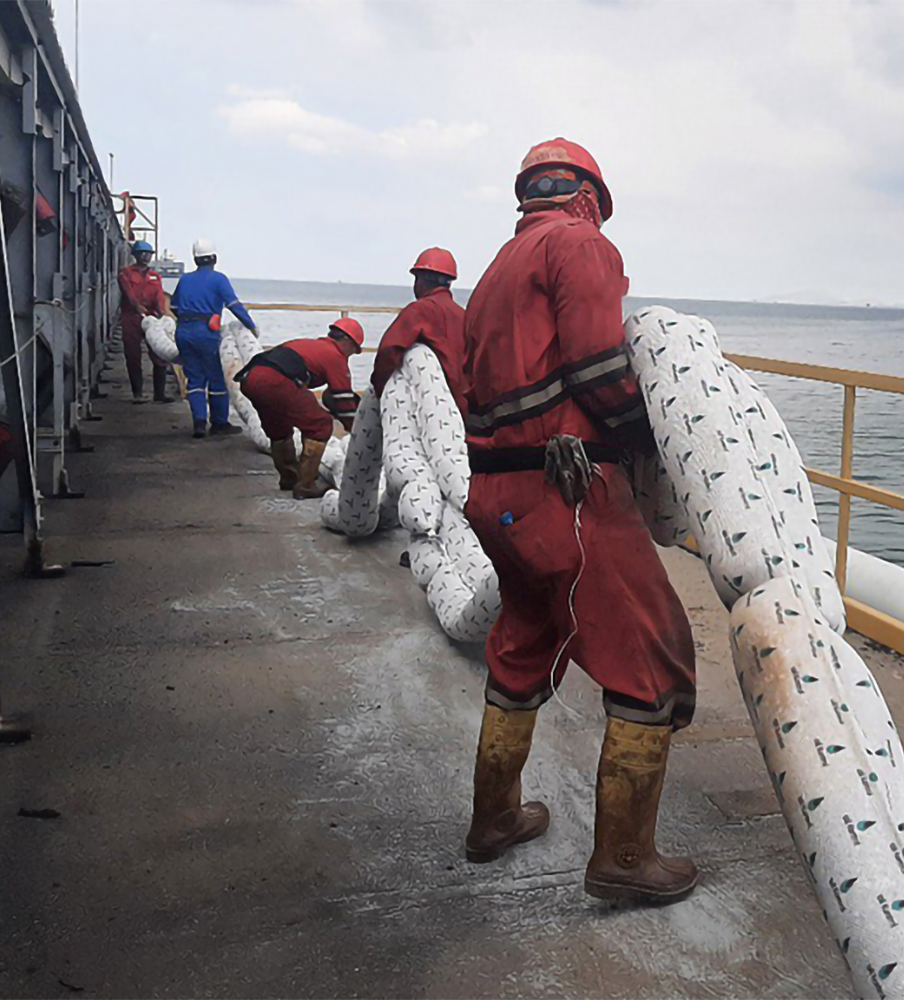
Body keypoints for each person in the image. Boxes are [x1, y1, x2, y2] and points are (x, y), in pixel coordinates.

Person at [460, 137, 698, 905]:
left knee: (524, 648)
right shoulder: (582, 245)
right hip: (571, 494)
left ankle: (494, 819)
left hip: (499, 497)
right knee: (649, 668)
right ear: (589, 197)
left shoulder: (497, 267)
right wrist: (643, 440)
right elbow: (599, 366)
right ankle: (626, 861)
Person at [233, 318, 364, 499]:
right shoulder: (334, 356)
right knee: (320, 424)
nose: (350, 356)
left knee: (279, 427)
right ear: (348, 342)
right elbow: (343, 399)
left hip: (251, 377)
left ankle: (289, 477)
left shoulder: (306, 344)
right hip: (276, 380)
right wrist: (355, 431)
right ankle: (306, 485)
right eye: (353, 351)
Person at [170, 238, 257, 438]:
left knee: (194, 379)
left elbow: (174, 307)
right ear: (214, 258)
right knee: (216, 378)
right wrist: (251, 326)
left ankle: (199, 423)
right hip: (206, 332)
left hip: (183, 331)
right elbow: (234, 305)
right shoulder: (219, 279)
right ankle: (219, 423)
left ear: (195, 259)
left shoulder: (184, 280)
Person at [370, 247, 466, 404]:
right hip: (463, 405)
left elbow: (389, 351)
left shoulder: (419, 310)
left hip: (431, 405)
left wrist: (380, 390)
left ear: (420, 281)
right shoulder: (463, 315)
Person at [116, 240, 171, 403]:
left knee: (159, 352)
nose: (146, 256)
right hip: (131, 317)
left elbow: (159, 296)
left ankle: (159, 394)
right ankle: (138, 393)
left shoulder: (155, 276)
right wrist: (138, 307)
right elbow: (128, 293)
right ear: (135, 255)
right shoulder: (125, 273)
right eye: (142, 253)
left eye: (148, 254)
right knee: (133, 354)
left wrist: (162, 314)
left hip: (152, 317)